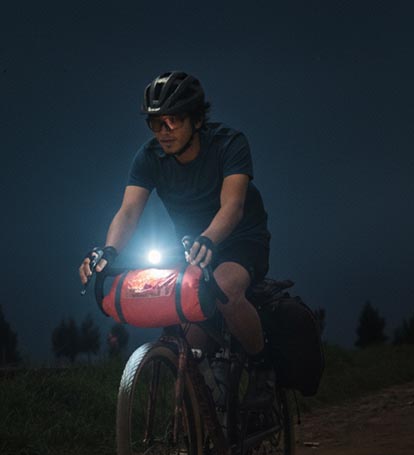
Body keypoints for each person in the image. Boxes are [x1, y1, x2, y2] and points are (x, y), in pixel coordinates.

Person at [78, 71, 274, 406]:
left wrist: (210, 238)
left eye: (173, 121)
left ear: (197, 120)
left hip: (240, 239)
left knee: (225, 291)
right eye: (155, 124)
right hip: (191, 248)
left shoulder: (229, 144)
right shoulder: (149, 157)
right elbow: (128, 212)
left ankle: (263, 371)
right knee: (185, 340)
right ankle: (203, 431)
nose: (163, 133)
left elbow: (233, 206)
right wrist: (108, 250)